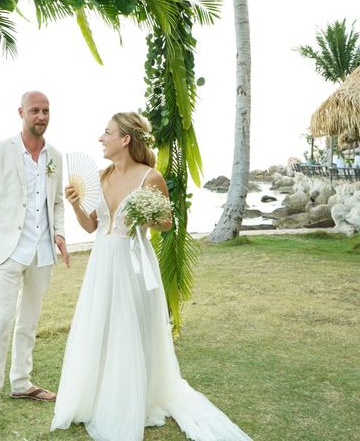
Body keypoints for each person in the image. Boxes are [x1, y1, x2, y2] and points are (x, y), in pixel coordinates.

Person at [51, 112, 252, 441]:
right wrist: (74, 205)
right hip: (102, 263)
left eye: (107, 133)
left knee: (130, 330)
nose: (101, 138)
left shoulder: (150, 178)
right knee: (100, 326)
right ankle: (99, 394)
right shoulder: (100, 177)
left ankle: (132, 398)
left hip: (133, 264)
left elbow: (167, 224)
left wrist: (147, 214)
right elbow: (92, 226)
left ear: (125, 139)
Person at [0, 91, 70, 432]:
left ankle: (22, 382)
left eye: (46, 110)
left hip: (42, 253)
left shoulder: (55, 156)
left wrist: (59, 234)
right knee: (0, 323)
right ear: (21, 113)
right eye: (35, 110)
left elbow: (57, 202)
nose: (41, 116)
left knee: (29, 322)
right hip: (6, 252)